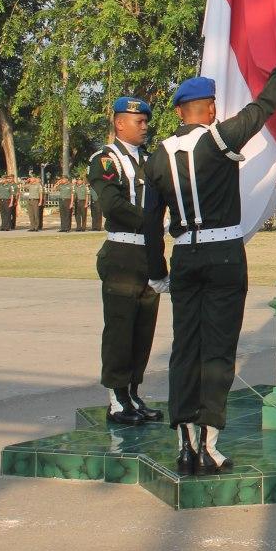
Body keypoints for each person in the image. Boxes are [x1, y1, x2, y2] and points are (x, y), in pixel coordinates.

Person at [143, 15, 276, 476]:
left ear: (180, 112)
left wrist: (158, 272)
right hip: (223, 254)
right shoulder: (220, 139)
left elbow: (148, 222)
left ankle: (183, 442)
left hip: (184, 256)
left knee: (184, 349)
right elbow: (266, 105)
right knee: (217, 350)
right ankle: (209, 445)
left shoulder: (157, 156)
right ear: (211, 109)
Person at [89, 96, 164, 426]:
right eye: (139, 121)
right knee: (120, 328)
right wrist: (149, 221)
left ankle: (133, 392)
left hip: (148, 252)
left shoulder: (149, 159)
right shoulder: (106, 160)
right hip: (122, 253)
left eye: (146, 120)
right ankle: (116, 397)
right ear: (120, 123)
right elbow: (113, 204)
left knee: (143, 329)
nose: (145, 126)